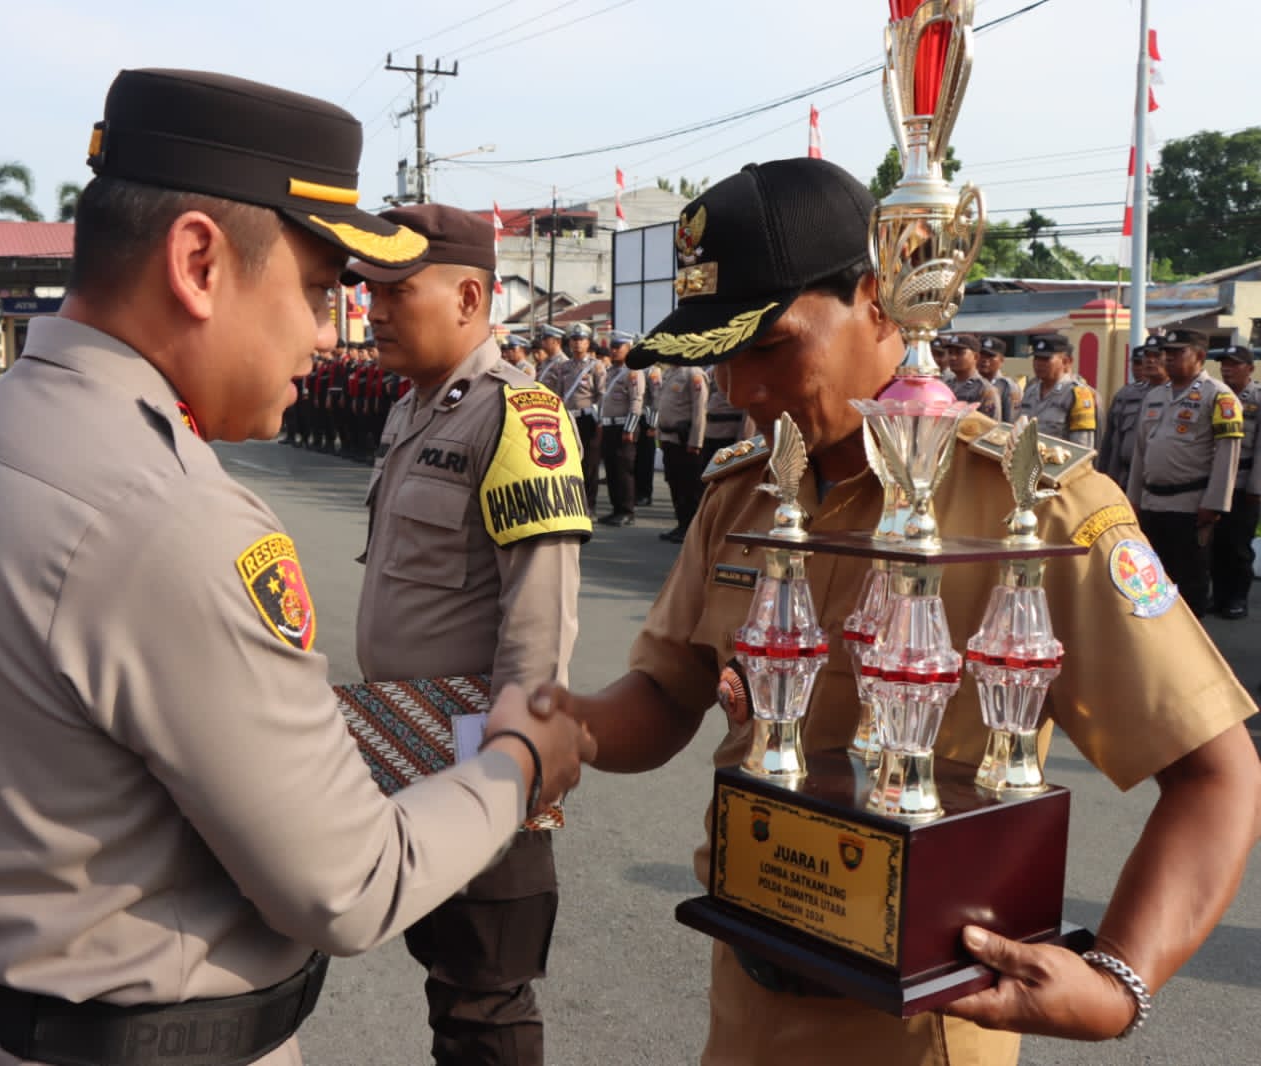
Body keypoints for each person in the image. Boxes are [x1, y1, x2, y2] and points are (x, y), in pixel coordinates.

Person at [0, 68, 595, 1066]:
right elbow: (349, 882)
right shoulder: (166, 513)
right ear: (200, 264)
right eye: (313, 287)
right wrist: (519, 762)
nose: (326, 329)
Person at [529, 158, 1261, 1066]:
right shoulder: (747, 493)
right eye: (720, 356)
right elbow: (666, 689)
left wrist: (1120, 982)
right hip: (746, 992)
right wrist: (567, 727)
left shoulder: (1033, 506)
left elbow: (1213, 770)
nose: (741, 391)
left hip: (918, 1034)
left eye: (768, 346)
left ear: (878, 297)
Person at [350, 201, 589, 1066]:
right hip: (406, 745)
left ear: (466, 296)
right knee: (446, 982)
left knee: (485, 997)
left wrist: (515, 763)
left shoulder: (518, 416)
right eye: (368, 290)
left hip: (478, 758)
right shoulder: (415, 408)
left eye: (394, 290)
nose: (372, 309)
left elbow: (539, 618)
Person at [1126, 328, 1243, 619]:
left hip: (1189, 504)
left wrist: (1214, 504)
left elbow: (1228, 454)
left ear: (1200, 356)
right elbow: (1142, 451)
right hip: (1152, 502)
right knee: (1152, 579)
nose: (1170, 358)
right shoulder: (1154, 395)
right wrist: (1133, 499)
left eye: (1179, 352)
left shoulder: (1218, 396)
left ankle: (1191, 650)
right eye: (1168, 352)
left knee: (1189, 582)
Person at [1209, 343, 1260, 618]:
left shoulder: (1258, 398)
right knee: (1216, 543)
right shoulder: (1217, 395)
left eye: (1234, 364)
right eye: (1224, 363)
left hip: (1244, 482)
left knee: (1239, 545)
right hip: (1217, 481)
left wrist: (1256, 487)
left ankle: (1237, 598)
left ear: (1249, 368)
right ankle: (1218, 597)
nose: (1227, 368)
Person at [541, 322, 606, 514]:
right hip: (569, 418)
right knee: (569, 461)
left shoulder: (596, 366)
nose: (577, 344)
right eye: (574, 340)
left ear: (588, 343)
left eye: (582, 340)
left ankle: (589, 504)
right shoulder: (564, 366)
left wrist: (601, 421)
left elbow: (601, 394)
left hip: (588, 419)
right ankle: (572, 501)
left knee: (590, 463)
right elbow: (559, 393)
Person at [654, 361, 708, 542]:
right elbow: (662, 407)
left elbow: (700, 410)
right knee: (675, 483)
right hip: (669, 438)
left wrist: (696, 441)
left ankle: (691, 528)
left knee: (689, 486)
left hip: (685, 441)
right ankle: (681, 524)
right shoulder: (671, 373)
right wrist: (660, 435)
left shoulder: (694, 373)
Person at [1095, 343, 1161, 489]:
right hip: (1124, 476)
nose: (1150, 361)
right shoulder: (1126, 394)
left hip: (1156, 481)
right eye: (1147, 356)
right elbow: (1110, 442)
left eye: (1156, 356)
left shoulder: (1178, 396)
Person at [597, 330, 645, 526]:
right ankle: (616, 509)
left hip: (623, 427)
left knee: (624, 471)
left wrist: (630, 429)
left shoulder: (633, 371)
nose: (614, 350)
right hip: (609, 427)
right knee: (612, 470)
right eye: (613, 347)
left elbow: (637, 401)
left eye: (619, 347)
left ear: (629, 348)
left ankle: (627, 511)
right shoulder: (612, 372)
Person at [1016, 334, 1096, 447]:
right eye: (1036, 358)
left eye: (1045, 359)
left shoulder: (1077, 394)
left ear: (1065, 361)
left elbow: (1082, 448)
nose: (1039, 363)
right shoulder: (1030, 392)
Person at [940, 332, 999, 418]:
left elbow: (991, 427)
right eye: (950, 352)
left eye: (959, 353)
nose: (953, 357)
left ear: (976, 357)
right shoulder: (947, 385)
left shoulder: (984, 390)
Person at [635, 361, 664, 507]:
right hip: (637, 419)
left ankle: (645, 494)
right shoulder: (637, 368)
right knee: (637, 459)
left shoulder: (652, 371)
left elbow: (657, 398)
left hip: (646, 420)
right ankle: (637, 491)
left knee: (645, 459)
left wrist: (653, 424)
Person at [976, 336, 1018, 422]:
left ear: (1002, 360)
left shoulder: (1007, 386)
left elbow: (1012, 421)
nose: (984, 360)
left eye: (990, 356)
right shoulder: (972, 383)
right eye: (982, 355)